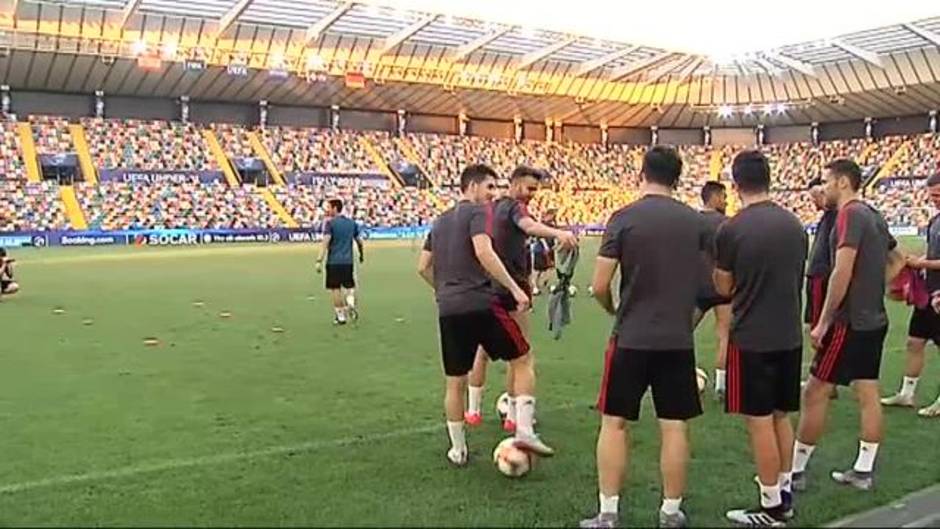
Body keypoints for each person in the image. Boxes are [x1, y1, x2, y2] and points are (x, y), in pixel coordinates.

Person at [580, 146, 705, 529]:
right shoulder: (696, 222)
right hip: (677, 340)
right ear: (678, 179)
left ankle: (608, 512)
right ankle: (670, 511)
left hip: (631, 336)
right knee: (674, 425)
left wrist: (613, 310)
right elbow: (712, 285)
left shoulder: (624, 218)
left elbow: (600, 285)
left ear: (642, 173)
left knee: (615, 423)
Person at [417, 164, 554, 466]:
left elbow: (422, 266)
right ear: (473, 186)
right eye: (489, 187)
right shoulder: (478, 212)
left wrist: (443, 290)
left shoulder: (439, 221)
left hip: (448, 307)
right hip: (480, 301)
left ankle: (457, 450)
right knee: (522, 358)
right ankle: (524, 429)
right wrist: (515, 289)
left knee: (454, 381)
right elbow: (483, 251)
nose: (493, 194)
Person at [793, 159, 905, 493]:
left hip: (847, 322)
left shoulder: (849, 215)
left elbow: (841, 271)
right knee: (867, 390)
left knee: (815, 391)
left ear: (842, 182)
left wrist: (824, 320)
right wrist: (875, 287)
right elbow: (898, 260)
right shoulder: (872, 214)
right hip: (873, 318)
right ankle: (864, 470)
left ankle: (795, 471)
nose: (823, 188)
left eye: (826, 181)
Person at [713, 151, 807, 527]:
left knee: (759, 421)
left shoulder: (732, 229)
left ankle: (771, 507)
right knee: (781, 416)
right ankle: (783, 491)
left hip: (752, 336)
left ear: (736, 185)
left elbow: (722, 286)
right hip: (788, 333)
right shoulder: (795, 224)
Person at [465, 167, 578, 432]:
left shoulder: (490, 207)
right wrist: (558, 233)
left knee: (481, 351)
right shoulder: (516, 208)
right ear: (515, 184)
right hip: (512, 288)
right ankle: (515, 417)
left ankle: (473, 411)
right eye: (529, 188)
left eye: (535, 190)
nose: (532, 195)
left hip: (484, 287)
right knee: (520, 356)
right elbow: (528, 226)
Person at [882, 173, 940, 418]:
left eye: (937, 194)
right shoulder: (935, 220)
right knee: (914, 341)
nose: (934, 199)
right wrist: (916, 262)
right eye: (931, 195)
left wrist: (921, 263)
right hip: (929, 293)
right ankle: (907, 393)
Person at [693, 181, 732, 401]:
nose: (726, 201)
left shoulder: (691, 222)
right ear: (714, 197)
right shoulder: (727, 223)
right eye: (724, 197)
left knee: (680, 334)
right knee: (725, 335)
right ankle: (722, 385)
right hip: (723, 287)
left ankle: (677, 378)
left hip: (696, 288)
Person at [316, 199, 363, 325]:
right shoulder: (352, 223)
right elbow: (359, 241)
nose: (327, 210)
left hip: (333, 262)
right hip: (348, 262)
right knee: (349, 286)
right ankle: (350, 300)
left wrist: (319, 260)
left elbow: (325, 242)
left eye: (329, 208)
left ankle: (341, 316)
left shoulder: (330, 224)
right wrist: (361, 254)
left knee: (335, 289)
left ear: (335, 208)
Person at [530, 208, 559, 295]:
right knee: (538, 270)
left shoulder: (552, 225)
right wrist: (545, 246)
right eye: (553, 215)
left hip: (549, 249)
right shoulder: (542, 224)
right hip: (540, 249)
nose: (554, 216)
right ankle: (535, 285)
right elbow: (540, 237)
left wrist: (554, 246)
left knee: (550, 268)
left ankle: (544, 283)